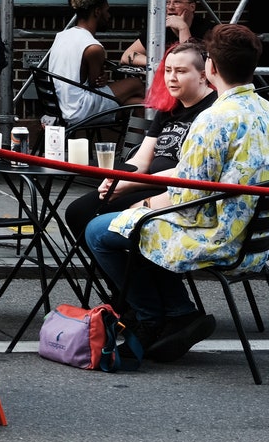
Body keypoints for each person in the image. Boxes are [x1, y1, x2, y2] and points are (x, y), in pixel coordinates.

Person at [86, 25, 269, 361]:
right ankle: (173, 313)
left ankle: (155, 316)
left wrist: (140, 204)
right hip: (259, 240)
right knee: (125, 223)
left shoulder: (213, 119)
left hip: (219, 237)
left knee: (99, 230)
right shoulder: (267, 110)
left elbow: (187, 202)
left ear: (210, 69)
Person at [63, 40, 214, 242]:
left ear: (203, 75)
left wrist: (130, 185)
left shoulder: (213, 112)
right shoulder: (170, 109)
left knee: (101, 221)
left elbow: (189, 170)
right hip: (147, 184)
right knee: (77, 212)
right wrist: (115, 180)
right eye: (168, 71)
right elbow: (141, 160)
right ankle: (115, 272)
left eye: (180, 71)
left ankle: (135, 270)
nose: (172, 78)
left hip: (175, 194)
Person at [45, 0, 146, 127]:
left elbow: (91, 79)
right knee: (136, 83)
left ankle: (135, 148)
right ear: (97, 12)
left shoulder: (62, 36)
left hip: (60, 106)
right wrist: (101, 76)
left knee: (139, 104)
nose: (109, 15)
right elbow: (95, 85)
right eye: (107, 11)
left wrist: (100, 77)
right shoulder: (93, 47)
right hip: (79, 109)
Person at [121, 0, 216, 67]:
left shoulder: (209, 30)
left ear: (192, 7)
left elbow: (190, 64)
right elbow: (126, 56)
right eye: (167, 2)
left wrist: (183, 28)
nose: (170, 7)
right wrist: (161, 65)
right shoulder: (159, 28)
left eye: (177, 2)